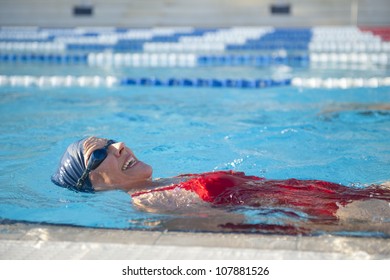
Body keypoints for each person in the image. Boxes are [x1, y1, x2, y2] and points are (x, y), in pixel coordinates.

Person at [51, 136, 390, 233]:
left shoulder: (172, 182)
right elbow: (243, 224)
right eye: (100, 153)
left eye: (110, 141)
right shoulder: (150, 203)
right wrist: (324, 223)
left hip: (333, 191)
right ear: (94, 183)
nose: (119, 146)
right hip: (331, 209)